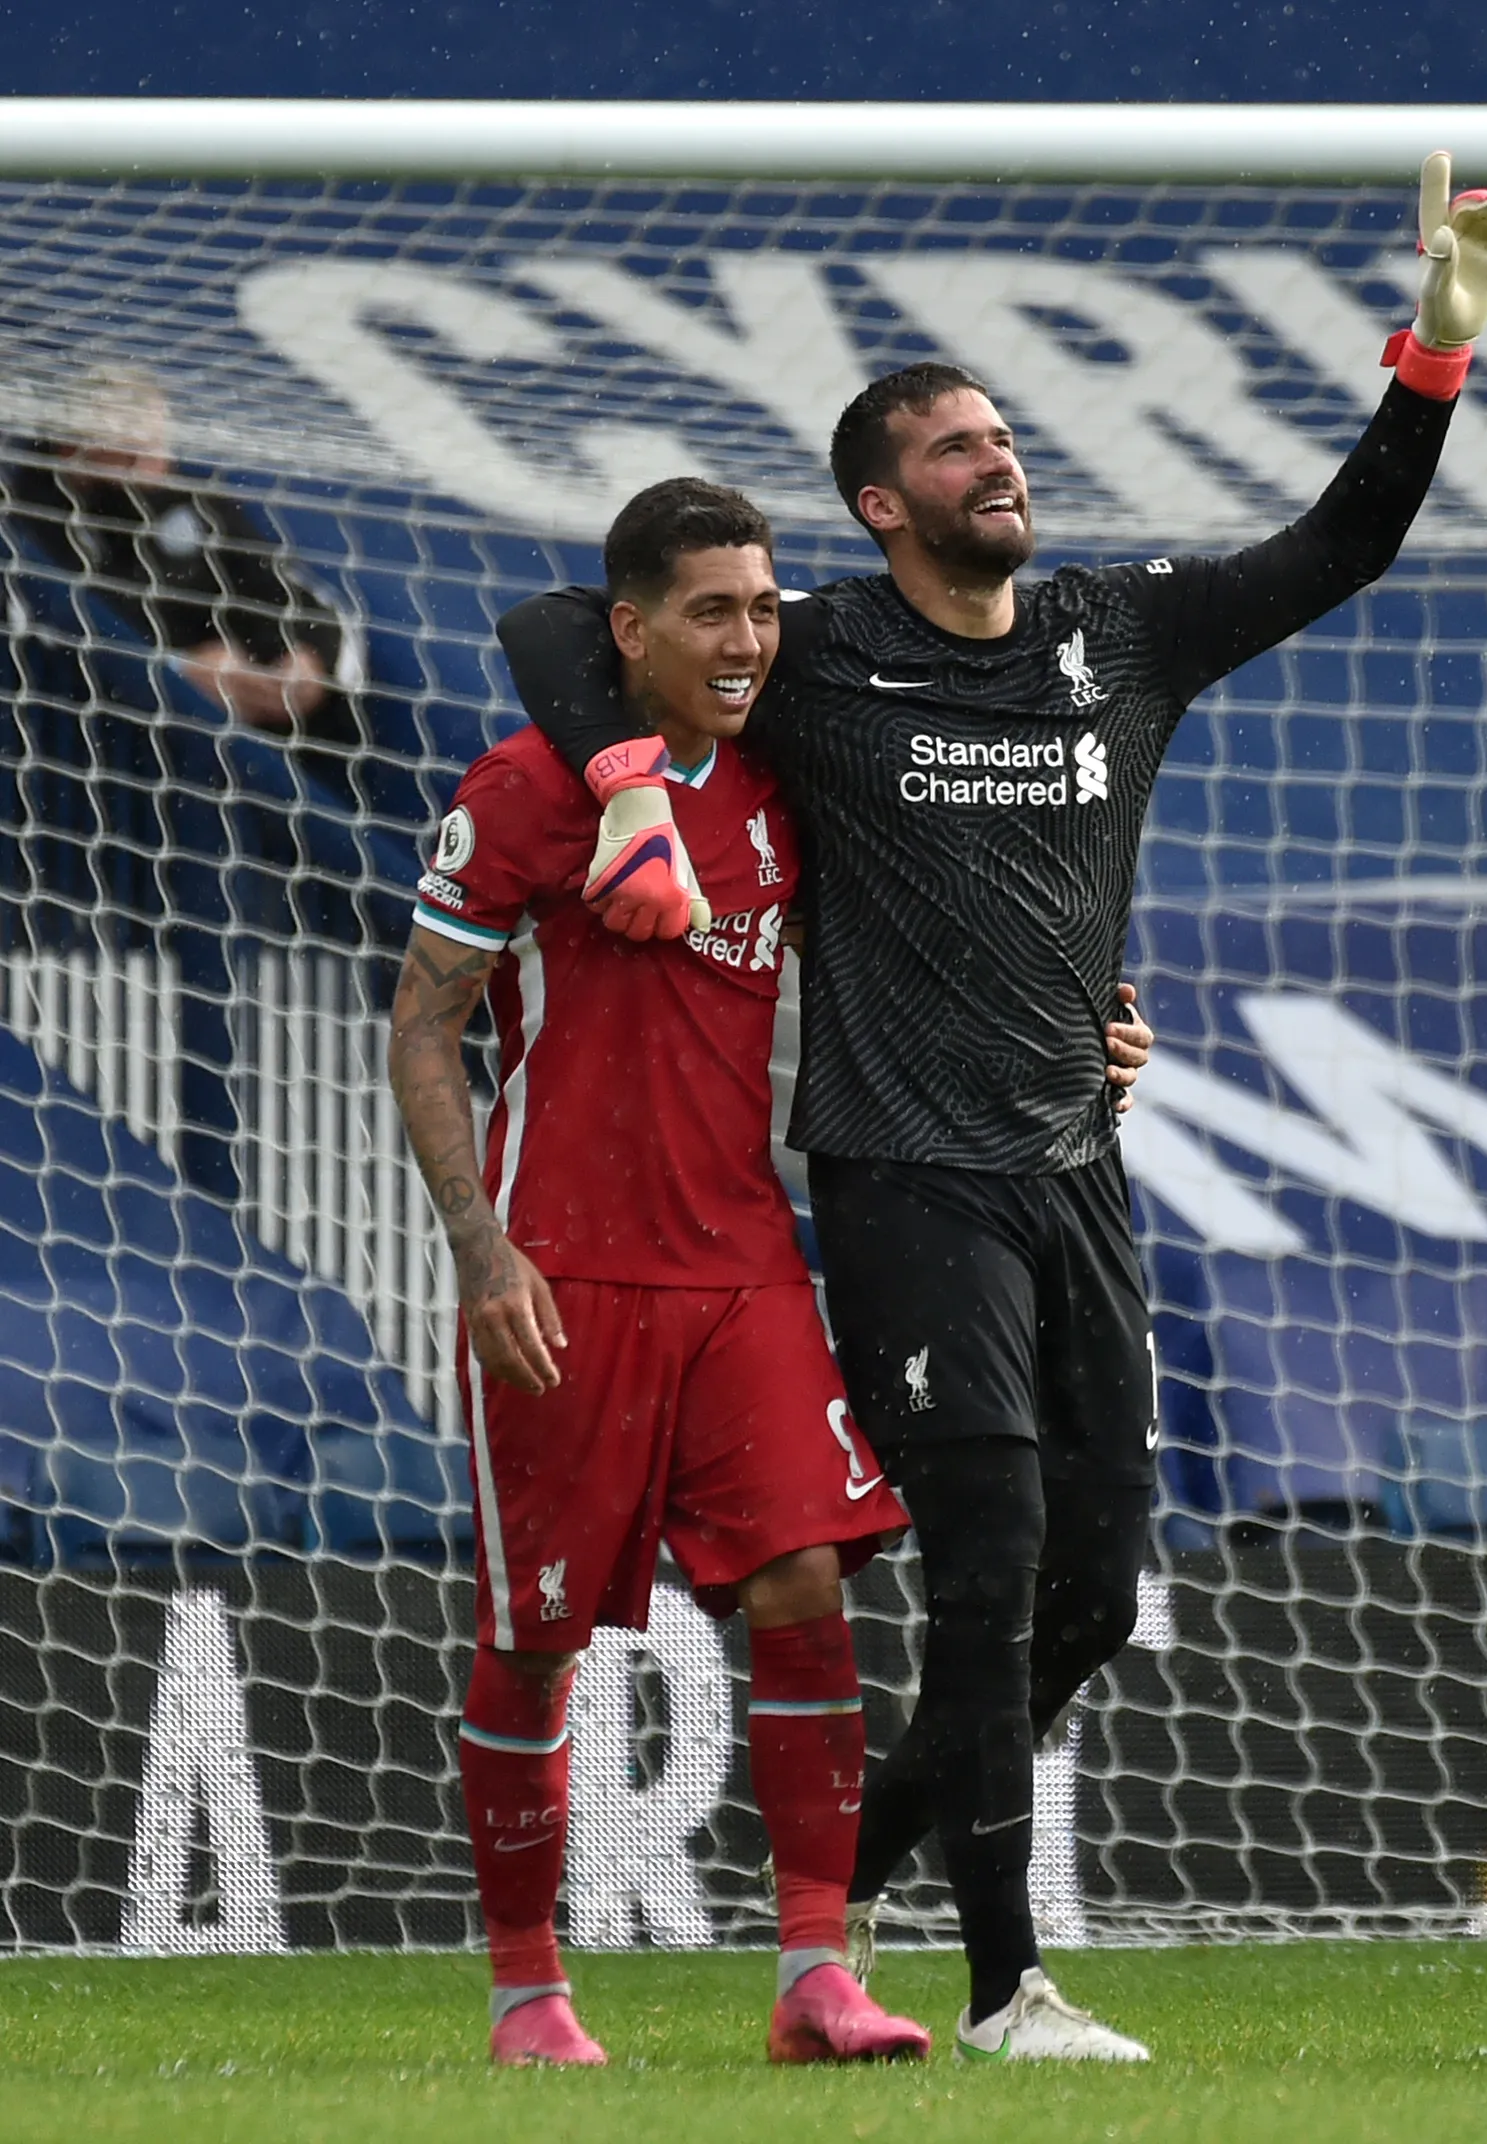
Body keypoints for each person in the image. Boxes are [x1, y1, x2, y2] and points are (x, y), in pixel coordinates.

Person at [497, 155, 1487, 2061]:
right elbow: (560, 625)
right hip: (905, 1175)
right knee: (980, 1576)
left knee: (1085, 1586)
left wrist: (1440, 332)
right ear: (880, 503)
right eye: (954, 446)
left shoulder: (1113, 630)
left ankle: (844, 1894)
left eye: (1000, 434)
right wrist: (638, 784)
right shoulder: (810, 656)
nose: (999, 459)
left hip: (1076, 1163)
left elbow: (1342, 541)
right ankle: (1004, 1989)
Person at [390, 479, 1150, 2069]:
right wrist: (480, 1248)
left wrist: (1086, 1021)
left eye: (762, 610)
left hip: (743, 1259)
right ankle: (528, 1994)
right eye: (713, 614)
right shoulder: (523, 790)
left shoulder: (776, 791)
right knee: (534, 1638)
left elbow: (931, 927)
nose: (749, 643)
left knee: (808, 1589)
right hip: (565, 1275)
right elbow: (422, 1024)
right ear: (632, 630)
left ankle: (820, 1974)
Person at [4, 366, 367, 802]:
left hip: (238, 755)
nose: (148, 470)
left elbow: (282, 589)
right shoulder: (25, 520)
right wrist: (175, 673)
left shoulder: (191, 497)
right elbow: (54, 632)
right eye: (127, 454)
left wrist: (305, 663)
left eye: (156, 451)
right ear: (70, 449)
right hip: (91, 762)